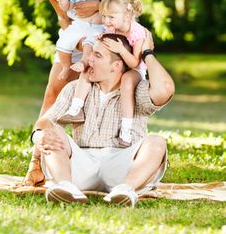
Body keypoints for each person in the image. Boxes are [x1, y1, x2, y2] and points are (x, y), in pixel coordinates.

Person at [25, 0, 129, 186]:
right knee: (54, 89)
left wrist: (97, 4)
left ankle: (116, 162)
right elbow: (64, 21)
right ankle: (36, 160)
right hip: (79, 35)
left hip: (110, 31)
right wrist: (76, 48)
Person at [30, 30, 175, 208]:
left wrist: (147, 54)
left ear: (116, 65)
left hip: (123, 166)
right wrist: (37, 135)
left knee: (156, 141)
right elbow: (45, 121)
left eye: (97, 55)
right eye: (91, 54)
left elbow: (166, 88)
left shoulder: (137, 90)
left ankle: (125, 190)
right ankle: (65, 186)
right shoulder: (75, 89)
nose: (89, 59)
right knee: (51, 131)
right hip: (82, 165)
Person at [58, 0, 148, 149]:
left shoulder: (137, 32)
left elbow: (135, 62)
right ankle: (76, 108)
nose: (105, 21)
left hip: (134, 69)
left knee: (127, 82)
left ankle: (126, 130)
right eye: (104, 16)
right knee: (87, 69)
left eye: (110, 17)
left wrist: (120, 50)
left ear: (126, 15)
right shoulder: (111, 28)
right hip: (115, 67)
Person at [56, 0, 115, 80]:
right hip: (80, 24)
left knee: (90, 43)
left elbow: (116, 0)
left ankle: (83, 62)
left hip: (99, 27)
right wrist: (63, 1)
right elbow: (68, 7)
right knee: (63, 41)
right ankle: (66, 67)